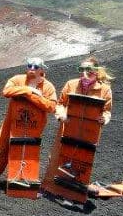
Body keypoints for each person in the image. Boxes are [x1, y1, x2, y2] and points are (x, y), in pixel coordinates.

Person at [0, 57, 57, 184]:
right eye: (29, 65)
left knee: (25, 152)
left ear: (41, 69)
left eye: (35, 67)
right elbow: (7, 91)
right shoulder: (18, 79)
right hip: (12, 122)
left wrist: (31, 97)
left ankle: (21, 180)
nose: (31, 69)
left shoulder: (48, 87)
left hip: (33, 125)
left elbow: (51, 106)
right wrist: (28, 90)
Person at [45, 56, 113, 195]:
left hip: (89, 131)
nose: (84, 73)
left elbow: (107, 111)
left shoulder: (105, 89)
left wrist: (104, 119)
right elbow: (60, 103)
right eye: (81, 69)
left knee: (82, 159)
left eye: (88, 70)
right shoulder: (71, 84)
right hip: (68, 127)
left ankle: (76, 191)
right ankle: (48, 187)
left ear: (97, 71)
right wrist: (61, 114)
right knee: (58, 156)